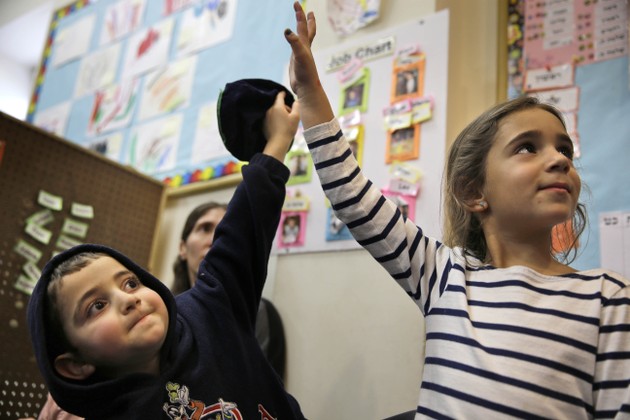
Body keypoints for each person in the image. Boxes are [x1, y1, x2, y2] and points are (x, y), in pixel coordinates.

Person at [284, 2, 630, 418]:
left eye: (564, 149)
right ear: (473, 192)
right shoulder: (445, 275)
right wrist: (309, 93)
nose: (559, 159)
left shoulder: (608, 298)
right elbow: (353, 197)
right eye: (527, 148)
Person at [27, 91, 305, 419]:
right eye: (97, 306)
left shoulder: (210, 309)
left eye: (130, 283)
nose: (128, 300)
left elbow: (243, 226)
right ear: (76, 365)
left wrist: (278, 141)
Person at [173, 200, 287, 379]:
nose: (215, 239)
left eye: (225, 230)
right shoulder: (164, 311)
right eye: (205, 228)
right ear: (182, 248)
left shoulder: (259, 314)